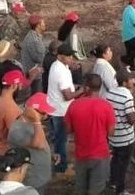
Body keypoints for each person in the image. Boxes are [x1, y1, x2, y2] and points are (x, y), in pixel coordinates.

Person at [64, 74, 116, 195]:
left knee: (80, 188)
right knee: (96, 190)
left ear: (87, 88)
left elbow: (68, 129)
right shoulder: (107, 107)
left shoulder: (74, 105)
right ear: (100, 87)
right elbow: (111, 133)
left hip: (81, 154)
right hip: (100, 154)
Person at [46, 43, 86, 174]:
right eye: (68, 56)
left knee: (58, 138)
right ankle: (61, 168)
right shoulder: (60, 71)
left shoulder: (57, 65)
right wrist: (82, 90)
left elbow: (66, 86)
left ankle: (59, 164)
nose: (71, 58)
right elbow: (68, 95)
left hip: (54, 107)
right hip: (61, 111)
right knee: (61, 141)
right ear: (60, 56)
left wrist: (75, 83)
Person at [8, 93, 57, 194]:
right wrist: (36, 120)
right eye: (44, 113)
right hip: (34, 179)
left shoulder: (31, 124)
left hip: (41, 174)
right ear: (33, 112)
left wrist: (49, 154)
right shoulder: (17, 130)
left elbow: (41, 143)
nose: (47, 115)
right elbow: (38, 144)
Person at [105, 72, 135, 195]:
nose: (134, 81)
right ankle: (120, 190)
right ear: (124, 82)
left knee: (115, 159)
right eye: (131, 79)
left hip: (113, 135)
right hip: (125, 138)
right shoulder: (127, 96)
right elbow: (131, 120)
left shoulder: (110, 93)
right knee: (123, 164)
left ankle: (112, 182)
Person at [0, 70, 27, 157]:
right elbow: (17, 136)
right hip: (11, 153)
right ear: (14, 85)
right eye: (20, 84)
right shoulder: (10, 108)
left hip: (0, 149)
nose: (21, 86)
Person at [20, 14, 46, 95]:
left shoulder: (32, 35)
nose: (45, 24)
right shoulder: (35, 40)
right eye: (43, 23)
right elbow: (40, 59)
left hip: (31, 72)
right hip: (34, 75)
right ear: (38, 25)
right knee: (36, 97)